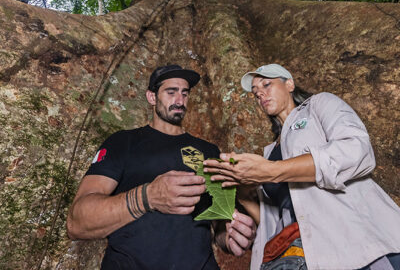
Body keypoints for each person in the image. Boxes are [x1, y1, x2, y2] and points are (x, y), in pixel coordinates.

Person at [203, 64, 400, 270]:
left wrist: (272, 170)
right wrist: (240, 187)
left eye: (267, 84)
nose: (261, 93)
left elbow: (356, 150)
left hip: (360, 245)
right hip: (313, 257)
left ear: (289, 84)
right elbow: (277, 219)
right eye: (256, 93)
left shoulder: (319, 105)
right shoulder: (270, 152)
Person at [67, 64, 256, 270]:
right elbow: (77, 222)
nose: (179, 100)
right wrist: (148, 197)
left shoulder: (208, 150)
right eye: (171, 92)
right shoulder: (123, 143)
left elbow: (219, 222)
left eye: (184, 93)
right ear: (151, 97)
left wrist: (231, 235)